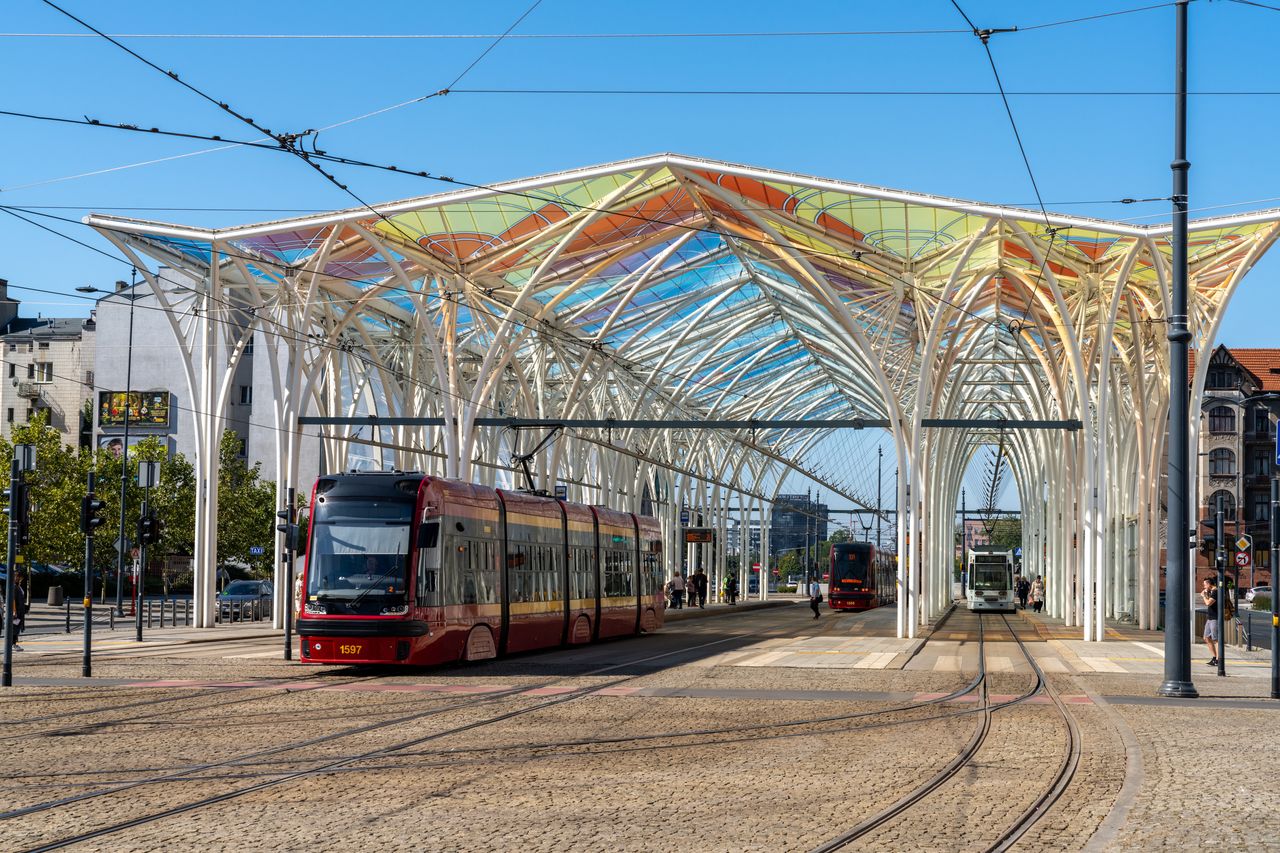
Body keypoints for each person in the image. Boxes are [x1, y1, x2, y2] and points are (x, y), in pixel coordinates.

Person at [1200, 576, 1220, 667]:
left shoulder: (1216, 592)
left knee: (1215, 639)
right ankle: (1214, 657)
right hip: (1210, 618)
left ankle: (1218, 659)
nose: (1204, 586)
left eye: (1204, 585)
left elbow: (1208, 603)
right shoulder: (1211, 591)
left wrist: (1204, 596)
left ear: (1209, 584)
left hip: (1215, 618)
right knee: (1206, 637)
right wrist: (1206, 594)